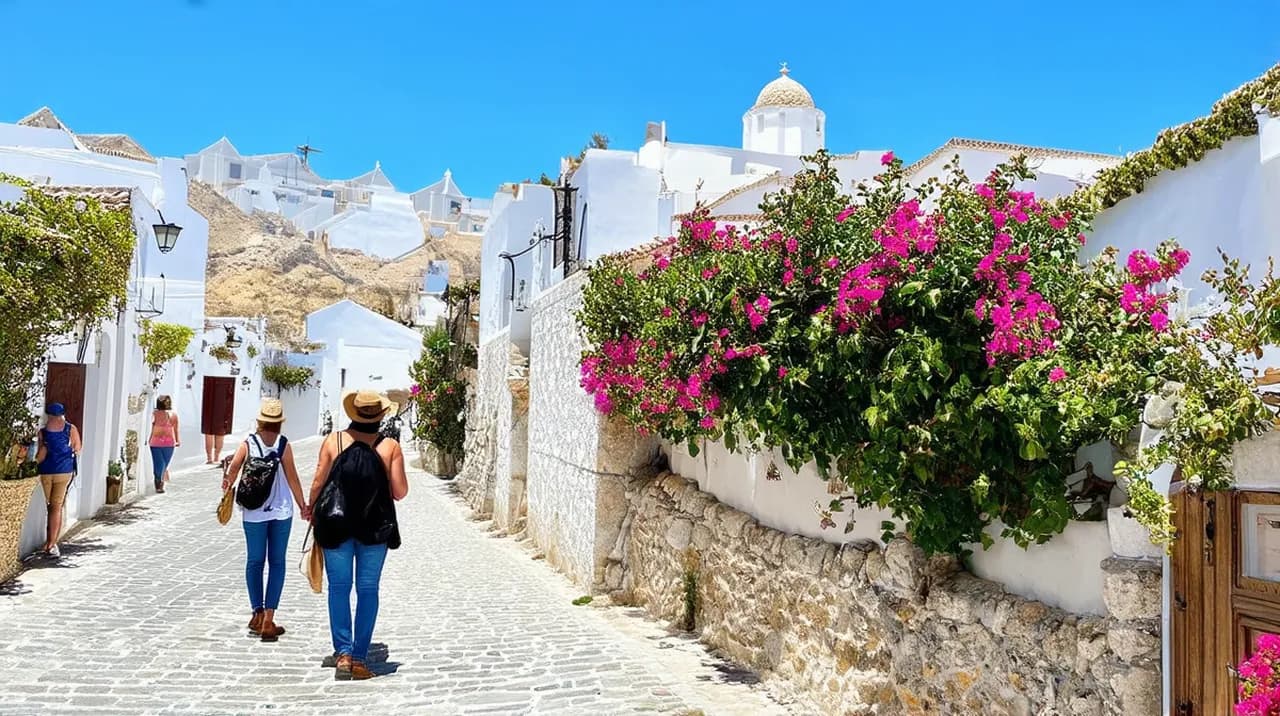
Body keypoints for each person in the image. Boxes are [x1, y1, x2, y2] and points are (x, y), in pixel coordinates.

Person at [310, 390, 408, 680]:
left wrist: (309, 507)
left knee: (339, 588)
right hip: (375, 528)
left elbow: (318, 481)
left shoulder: (334, 441)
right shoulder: (389, 446)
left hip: (335, 524)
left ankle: (343, 653)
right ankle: (360, 658)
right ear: (380, 416)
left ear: (353, 413)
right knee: (367, 589)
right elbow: (400, 492)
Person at [222, 399, 310, 642]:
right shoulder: (283, 445)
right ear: (279, 423)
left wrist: (227, 483)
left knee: (255, 561)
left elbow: (232, 473)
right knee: (277, 563)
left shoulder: (248, 444)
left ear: (260, 421)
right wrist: (303, 506)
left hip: (253, 513)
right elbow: (293, 478)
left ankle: (257, 612)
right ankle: (269, 619)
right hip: (281, 511)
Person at [35, 403, 80, 558]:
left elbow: (40, 456)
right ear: (63, 413)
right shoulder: (70, 429)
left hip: (46, 472)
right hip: (64, 471)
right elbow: (78, 448)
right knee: (57, 507)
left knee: (49, 506)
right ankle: (52, 544)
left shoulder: (43, 432)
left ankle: (48, 541)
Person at [148, 395, 179, 493]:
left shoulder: (173, 415)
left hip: (169, 444)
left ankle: (161, 482)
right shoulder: (154, 414)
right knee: (159, 464)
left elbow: (176, 429)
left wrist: (177, 440)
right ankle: (158, 484)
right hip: (155, 443)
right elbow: (150, 427)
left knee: (164, 465)